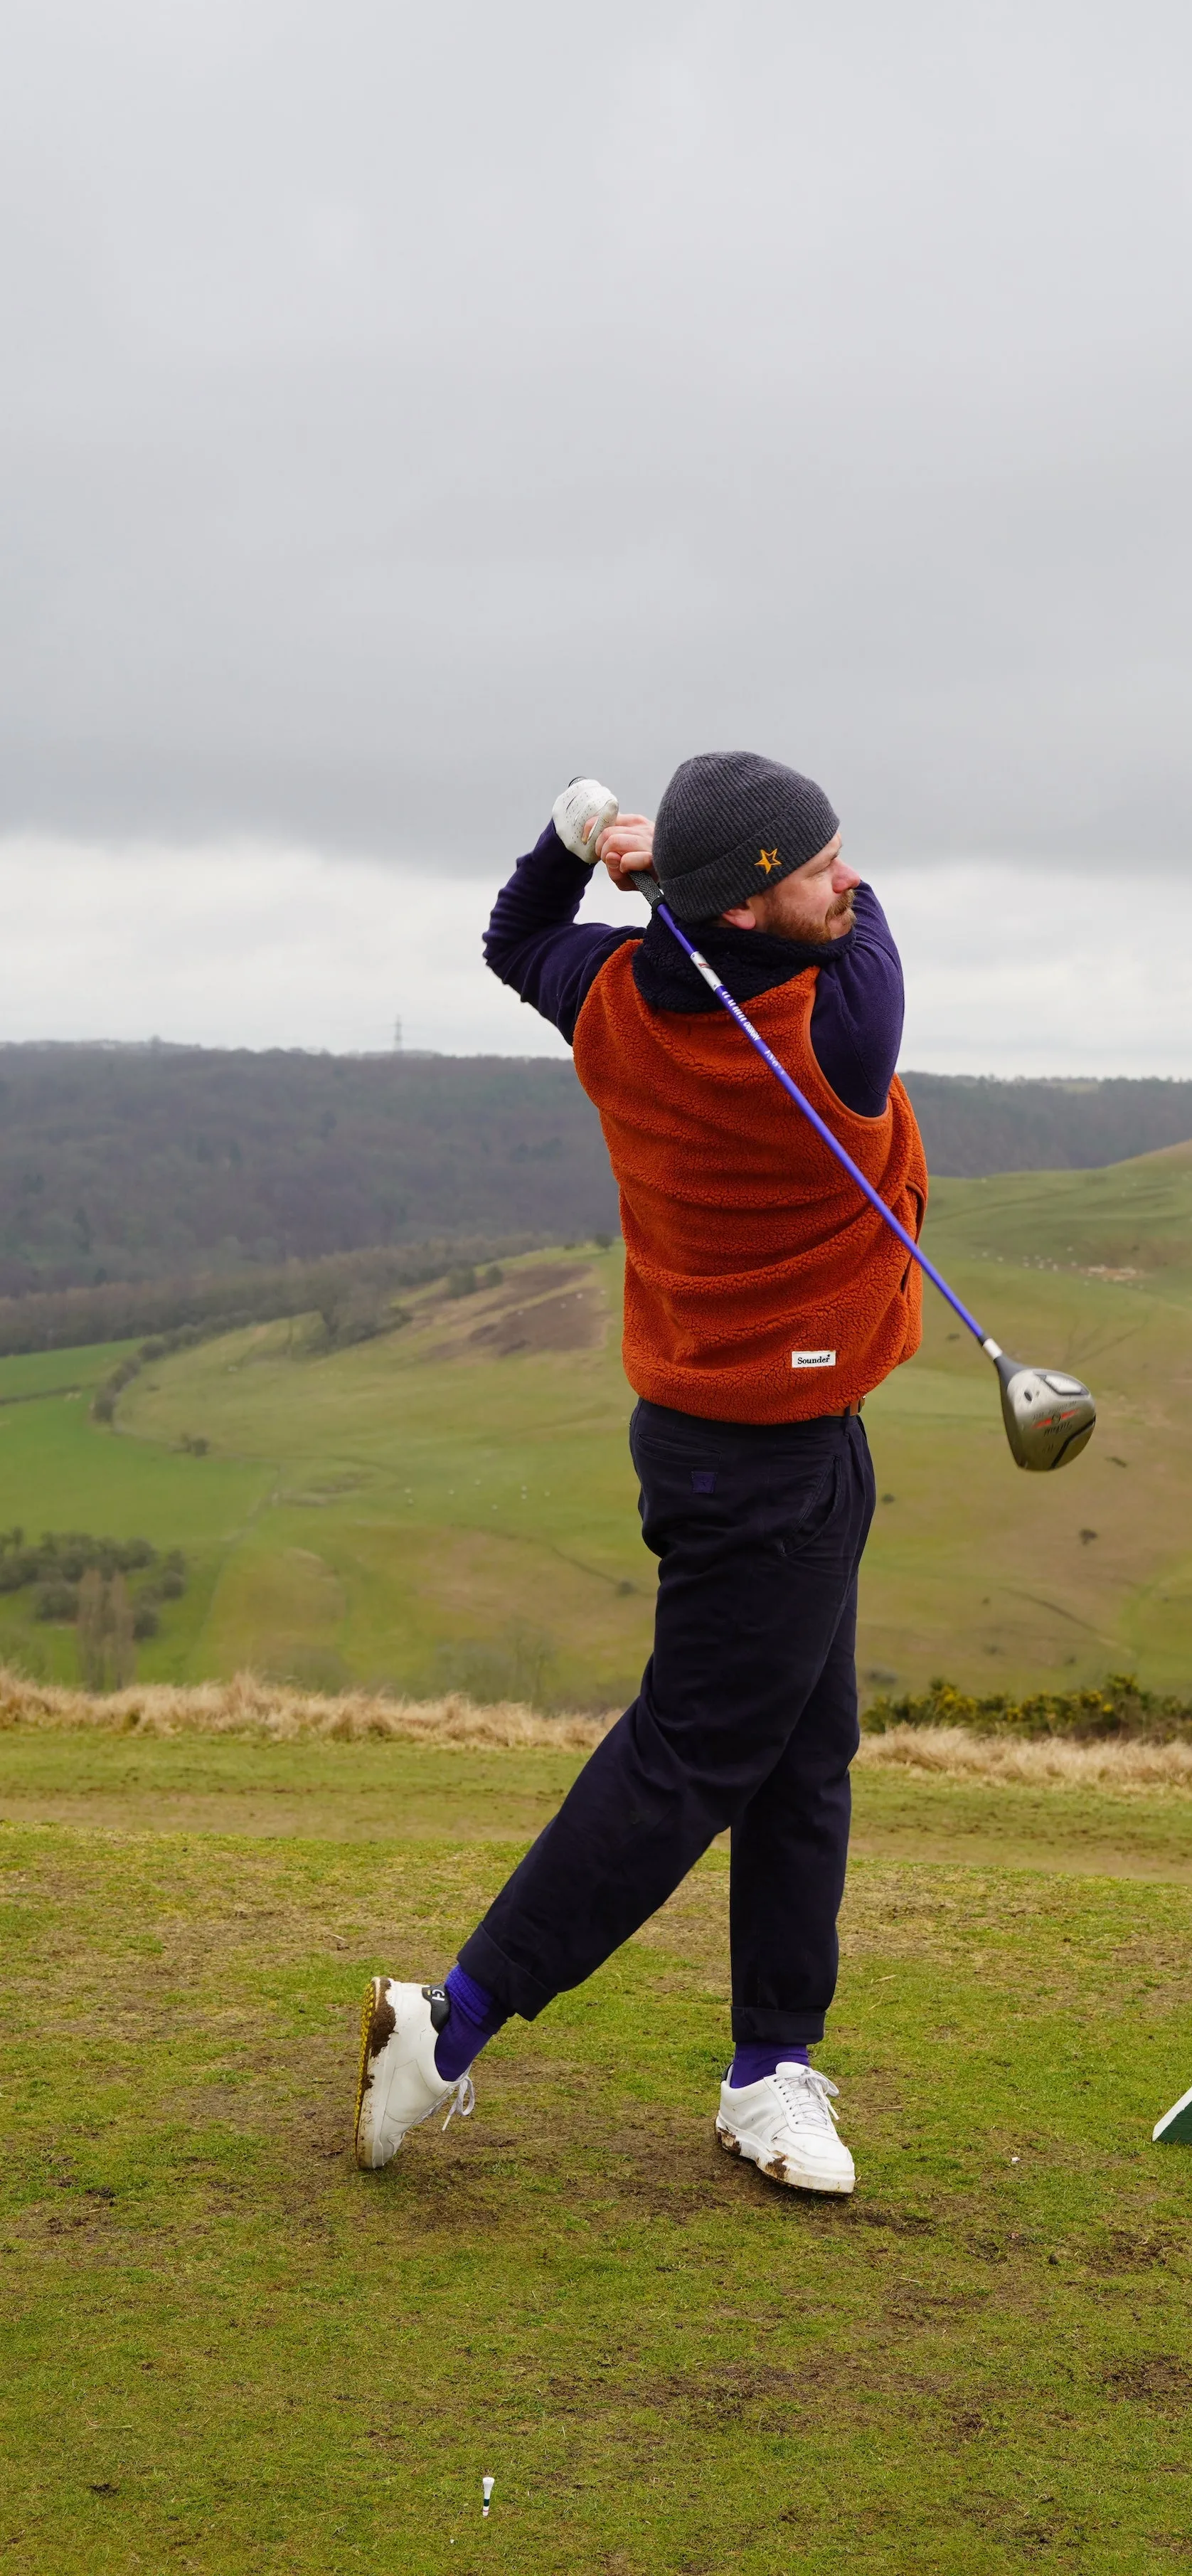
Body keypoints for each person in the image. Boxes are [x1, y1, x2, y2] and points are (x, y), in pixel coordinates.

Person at [354, 751, 927, 2195]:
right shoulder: (835, 1028)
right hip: (770, 1459)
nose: (846, 878)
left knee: (803, 1757)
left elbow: (514, 940)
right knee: (690, 1759)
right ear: (745, 907)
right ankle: (453, 2019)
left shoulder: (609, 995)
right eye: (813, 864)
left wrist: (578, 845)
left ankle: (767, 2068)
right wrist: (676, 878)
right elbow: (873, 933)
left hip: (720, 1432)